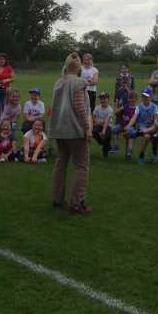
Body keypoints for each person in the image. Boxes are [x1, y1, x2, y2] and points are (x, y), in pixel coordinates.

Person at [50, 52, 92, 214]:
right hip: (75, 131)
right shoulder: (79, 82)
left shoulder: (58, 83)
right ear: (79, 67)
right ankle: (77, 203)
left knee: (60, 164)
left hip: (59, 130)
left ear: (66, 66)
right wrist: (87, 128)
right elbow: (80, 108)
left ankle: (57, 199)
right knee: (81, 166)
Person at [126, 87, 158, 163]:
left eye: (146, 96)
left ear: (150, 97)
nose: (144, 98)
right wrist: (128, 125)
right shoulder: (139, 107)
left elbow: (155, 120)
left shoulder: (155, 107)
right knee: (145, 136)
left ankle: (146, 155)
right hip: (141, 128)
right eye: (143, 96)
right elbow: (134, 117)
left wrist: (154, 126)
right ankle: (139, 154)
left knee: (152, 133)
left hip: (151, 128)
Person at [91, 92, 114, 158]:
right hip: (99, 124)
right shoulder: (97, 107)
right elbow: (93, 117)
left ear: (108, 99)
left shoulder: (110, 109)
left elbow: (107, 121)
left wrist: (103, 130)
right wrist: (96, 122)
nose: (102, 100)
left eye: (104, 99)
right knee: (94, 132)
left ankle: (105, 151)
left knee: (108, 136)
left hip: (108, 125)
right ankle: (105, 145)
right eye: (101, 99)